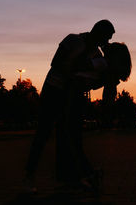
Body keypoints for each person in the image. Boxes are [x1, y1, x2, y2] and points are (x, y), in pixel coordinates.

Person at [23, 20, 115, 193]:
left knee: (71, 138)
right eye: (106, 38)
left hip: (71, 95)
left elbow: (91, 78)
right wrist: (75, 74)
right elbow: (56, 62)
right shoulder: (73, 40)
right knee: (43, 133)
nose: (106, 43)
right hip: (53, 89)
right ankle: (29, 176)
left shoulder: (97, 56)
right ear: (98, 32)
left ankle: (73, 176)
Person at [59, 42, 132, 191]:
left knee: (70, 138)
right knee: (71, 139)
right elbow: (108, 93)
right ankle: (83, 175)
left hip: (70, 93)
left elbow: (109, 93)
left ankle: (80, 175)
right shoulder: (102, 63)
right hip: (70, 92)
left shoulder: (104, 64)